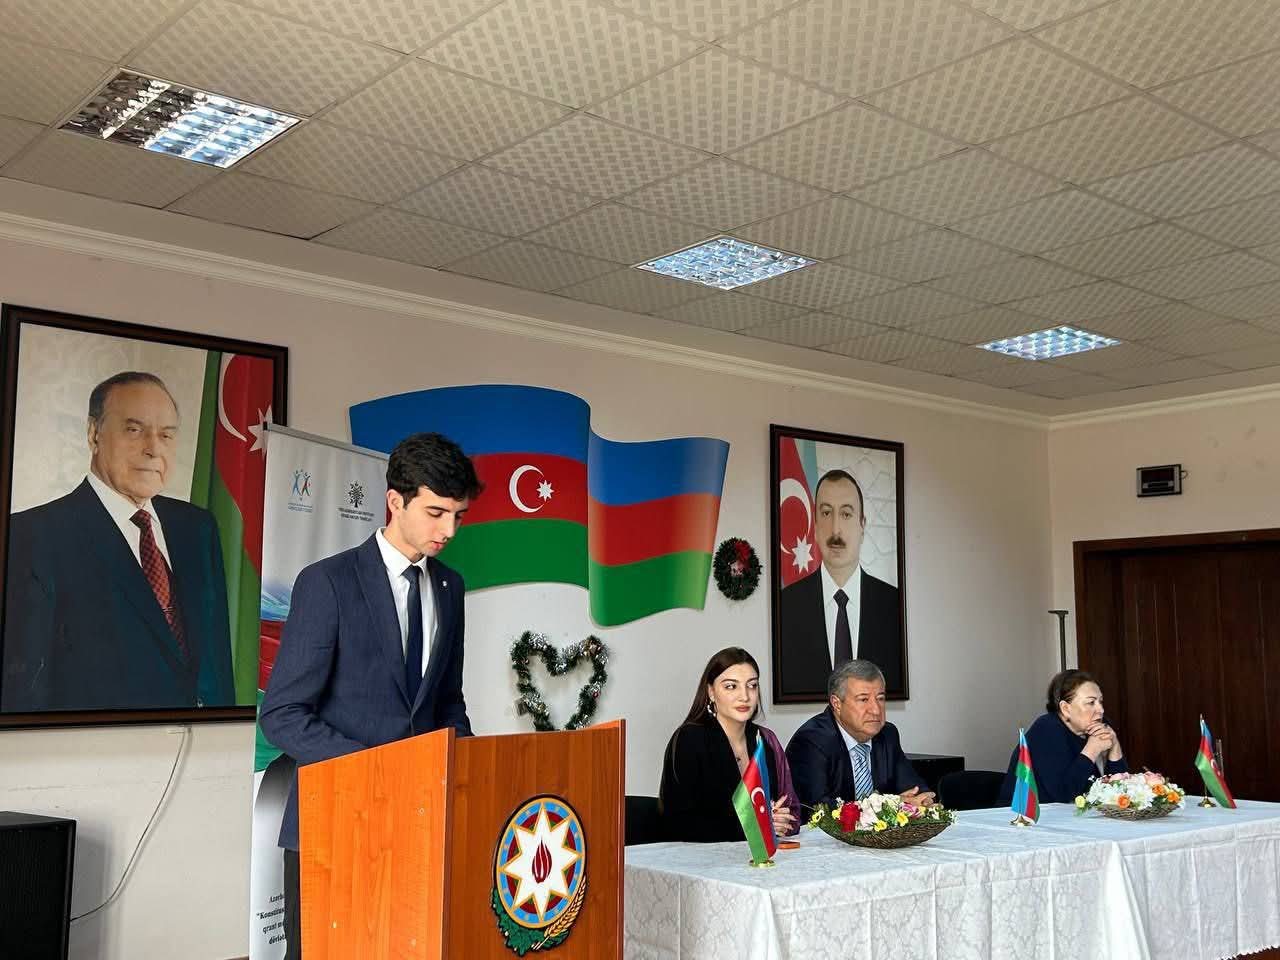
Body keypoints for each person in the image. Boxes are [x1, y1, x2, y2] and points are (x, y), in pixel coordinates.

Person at [260, 431, 480, 960]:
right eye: (435, 513)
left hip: (420, 823)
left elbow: (448, 702)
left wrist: (472, 772)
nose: (448, 530)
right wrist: (375, 770)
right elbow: (283, 713)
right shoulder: (328, 582)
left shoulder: (450, 588)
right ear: (395, 501)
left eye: (458, 516)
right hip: (337, 819)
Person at [2, 371, 234, 712]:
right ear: (94, 434)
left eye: (166, 435)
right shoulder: (32, 535)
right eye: (134, 430)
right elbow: (23, 693)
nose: (153, 449)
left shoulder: (197, 527)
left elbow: (217, 664)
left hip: (203, 741)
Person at [777, 469, 903, 699]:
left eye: (846, 514)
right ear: (815, 525)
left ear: (862, 525)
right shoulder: (786, 605)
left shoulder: (894, 604)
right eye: (826, 513)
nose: (835, 530)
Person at [659, 648, 800, 843]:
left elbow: (788, 809)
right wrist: (756, 826)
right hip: (700, 857)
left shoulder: (764, 740)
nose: (745, 696)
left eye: (752, 685)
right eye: (731, 686)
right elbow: (681, 823)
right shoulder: (689, 739)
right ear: (711, 692)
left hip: (762, 854)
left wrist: (781, 820)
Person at [786, 659, 932, 809]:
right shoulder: (811, 741)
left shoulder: (887, 734)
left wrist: (922, 800)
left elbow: (913, 788)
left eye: (880, 698)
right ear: (837, 704)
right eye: (863, 699)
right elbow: (819, 808)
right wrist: (888, 804)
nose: (876, 710)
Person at [998, 669, 1127, 806]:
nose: (1101, 710)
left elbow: (1120, 793)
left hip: (1073, 814)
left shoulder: (1099, 727)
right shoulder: (1046, 728)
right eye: (1091, 703)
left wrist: (1115, 746)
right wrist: (1092, 749)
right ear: (1066, 709)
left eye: (1101, 702)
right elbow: (1063, 794)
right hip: (1022, 815)